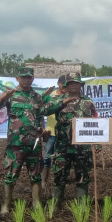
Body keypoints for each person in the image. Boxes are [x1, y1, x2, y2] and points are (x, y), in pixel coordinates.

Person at [0, 66, 55, 214]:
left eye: (29, 77)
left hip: (34, 144)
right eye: (23, 77)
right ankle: (5, 206)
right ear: (17, 78)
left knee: (36, 175)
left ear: (32, 79)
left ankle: (37, 204)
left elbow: (39, 117)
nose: (26, 79)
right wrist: (2, 98)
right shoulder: (11, 95)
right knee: (10, 175)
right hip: (15, 144)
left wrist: (43, 131)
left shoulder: (37, 97)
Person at [45, 73, 98, 208]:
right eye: (71, 83)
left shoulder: (88, 102)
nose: (74, 85)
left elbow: (96, 122)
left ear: (80, 85)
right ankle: (55, 206)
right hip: (63, 147)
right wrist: (60, 104)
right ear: (66, 86)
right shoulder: (58, 100)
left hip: (83, 148)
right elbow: (45, 110)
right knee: (59, 176)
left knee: (83, 177)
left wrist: (97, 142)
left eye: (77, 83)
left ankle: (82, 206)